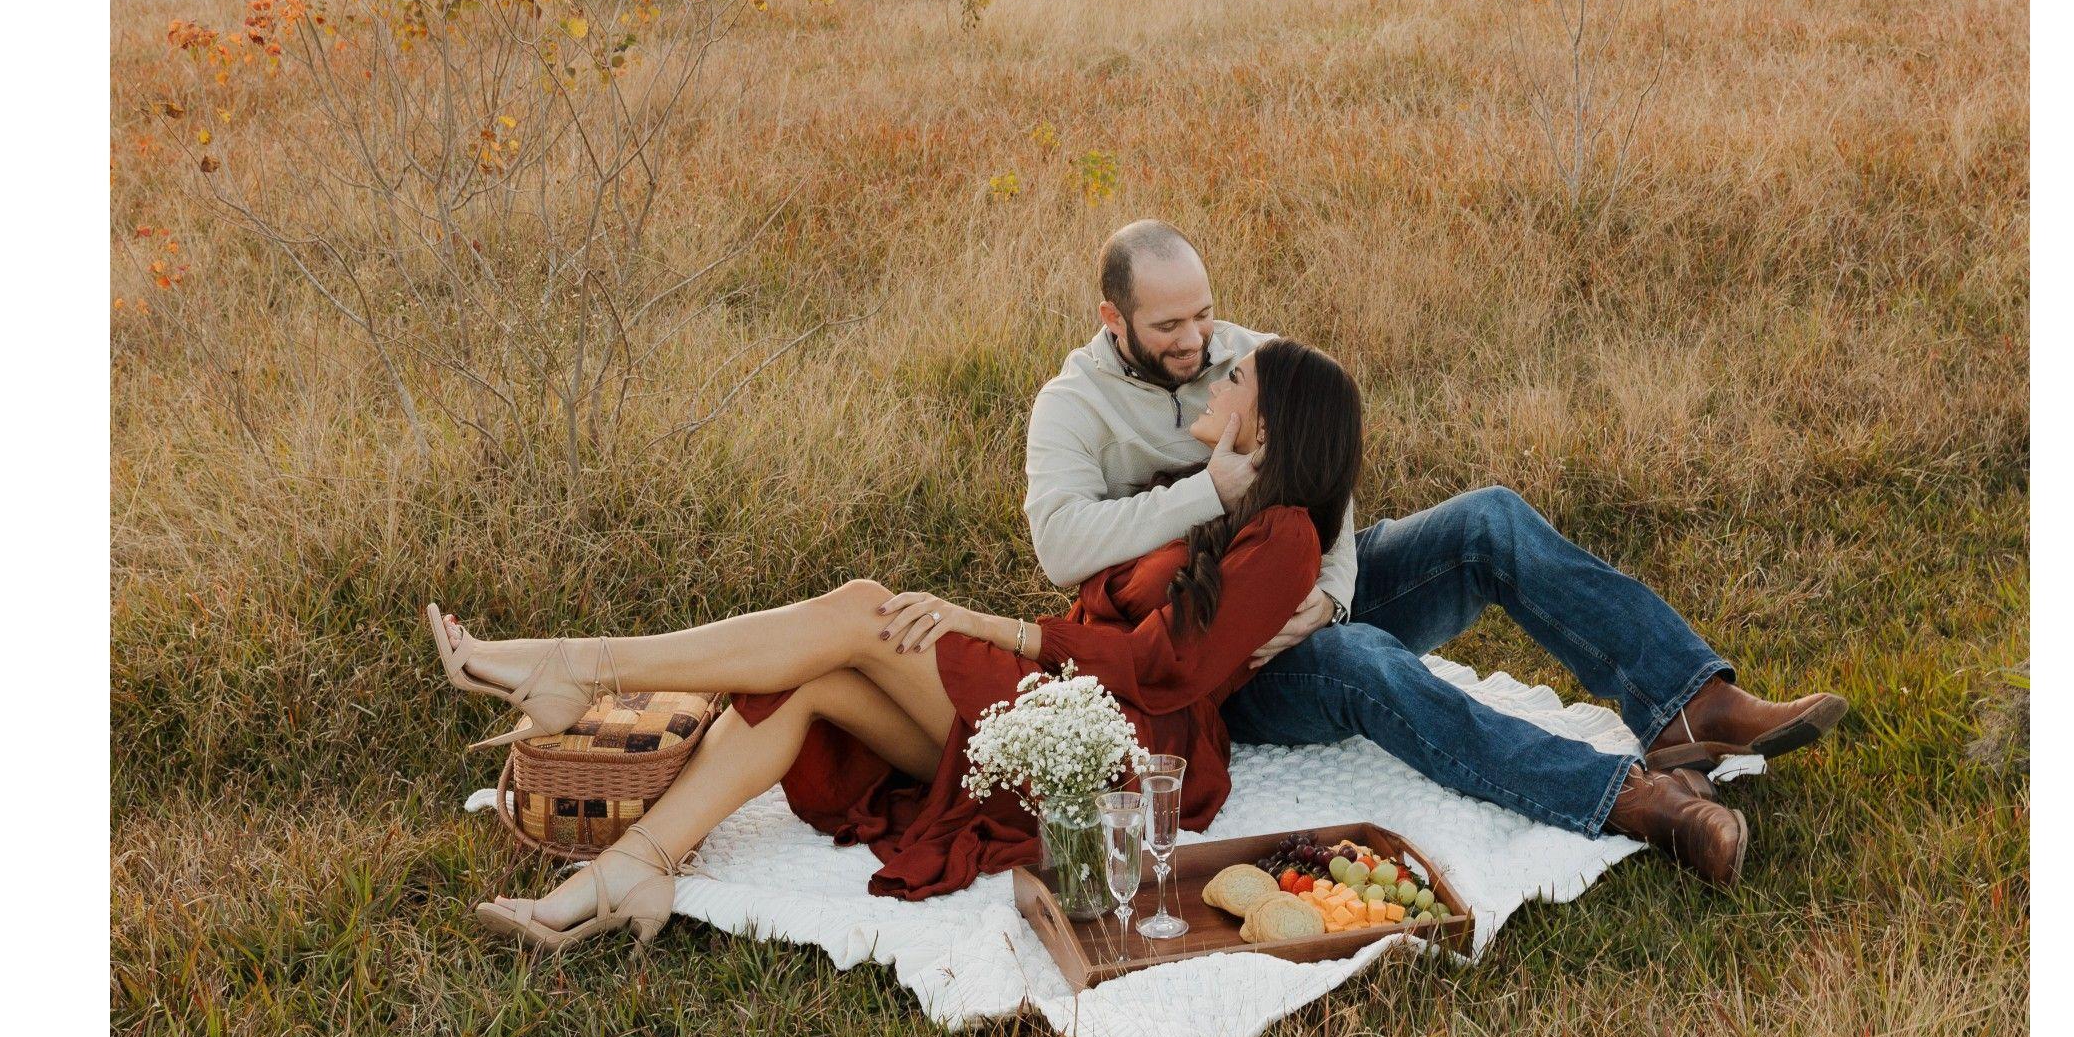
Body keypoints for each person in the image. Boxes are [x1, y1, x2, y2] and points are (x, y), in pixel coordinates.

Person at [938, 221, 1848, 887]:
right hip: (1223, 653)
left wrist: (1329, 595)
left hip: (1296, 589)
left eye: (1204, 316)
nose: (1198, 343)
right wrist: (1205, 493)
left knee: (1488, 519)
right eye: (1168, 326)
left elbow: (1322, 482)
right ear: (1113, 317)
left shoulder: (1247, 355)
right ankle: (1630, 800)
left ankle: (1691, 704)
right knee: (1364, 662)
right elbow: (1059, 545)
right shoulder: (1073, 407)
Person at [426, 336, 1365, 953]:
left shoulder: (1286, 537)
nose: (1217, 376)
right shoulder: (1215, 494)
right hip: (1067, 698)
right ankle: (634, 868)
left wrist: (986, 625)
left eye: (1237, 378)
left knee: (863, 612)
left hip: (1119, 745)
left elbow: (1167, 668)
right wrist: (1205, 492)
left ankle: (577, 669)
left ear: (1271, 420)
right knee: (818, 676)